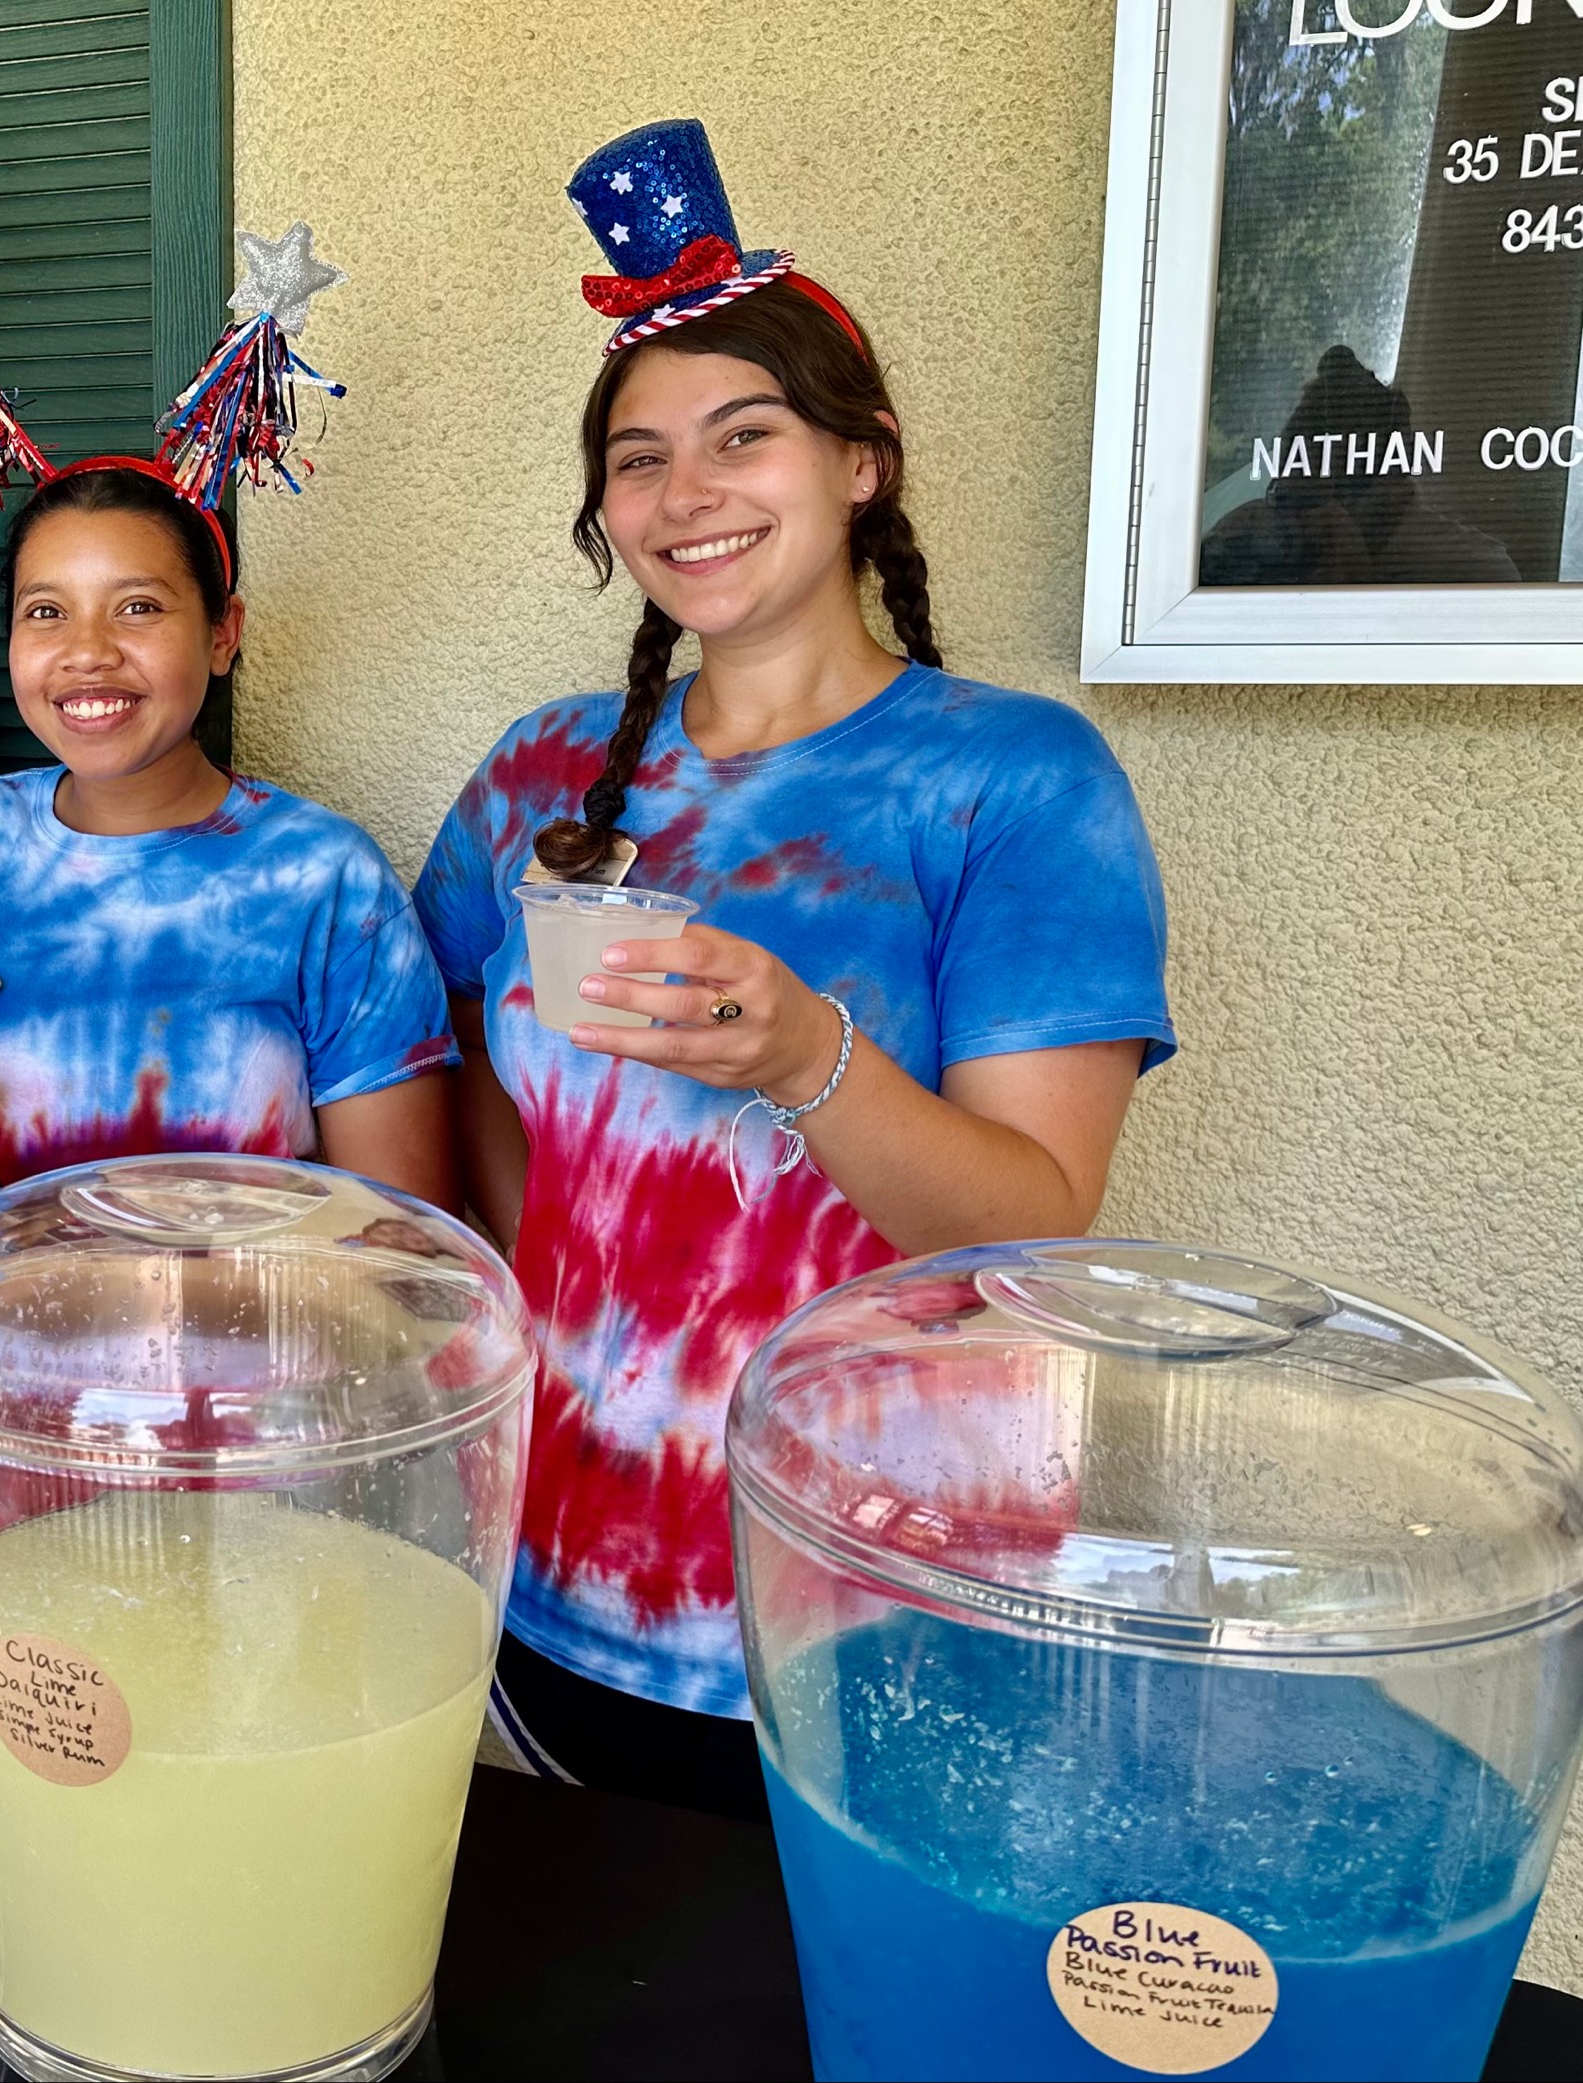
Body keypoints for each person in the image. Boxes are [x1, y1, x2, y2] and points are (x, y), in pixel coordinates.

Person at [415, 122, 1176, 1814]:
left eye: (742, 435)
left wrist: (806, 1061)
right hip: (562, 1577)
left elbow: (1027, 1219)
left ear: (860, 463)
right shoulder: (541, 775)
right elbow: (459, 1062)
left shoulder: (1017, 781)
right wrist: (534, 1294)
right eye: (639, 455)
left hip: (888, 1612)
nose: (685, 494)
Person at [0, 458, 460, 1623]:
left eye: (140, 607)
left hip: (242, 1489)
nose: (87, 652)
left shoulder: (319, 879)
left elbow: (401, 1260)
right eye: (46, 611)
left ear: (224, 635)